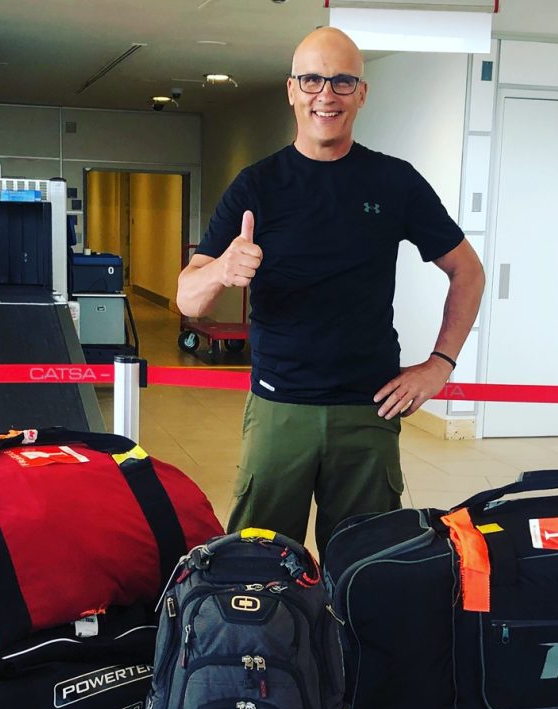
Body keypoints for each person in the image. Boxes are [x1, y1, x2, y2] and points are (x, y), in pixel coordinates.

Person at [177, 27, 486, 553]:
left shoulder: (394, 182)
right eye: (312, 80)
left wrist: (440, 364)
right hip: (279, 407)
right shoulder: (257, 184)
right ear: (291, 89)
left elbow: (468, 271)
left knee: (365, 569)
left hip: (369, 409)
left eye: (343, 81)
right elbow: (187, 297)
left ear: (361, 93)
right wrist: (221, 270)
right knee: (258, 562)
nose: (327, 94)